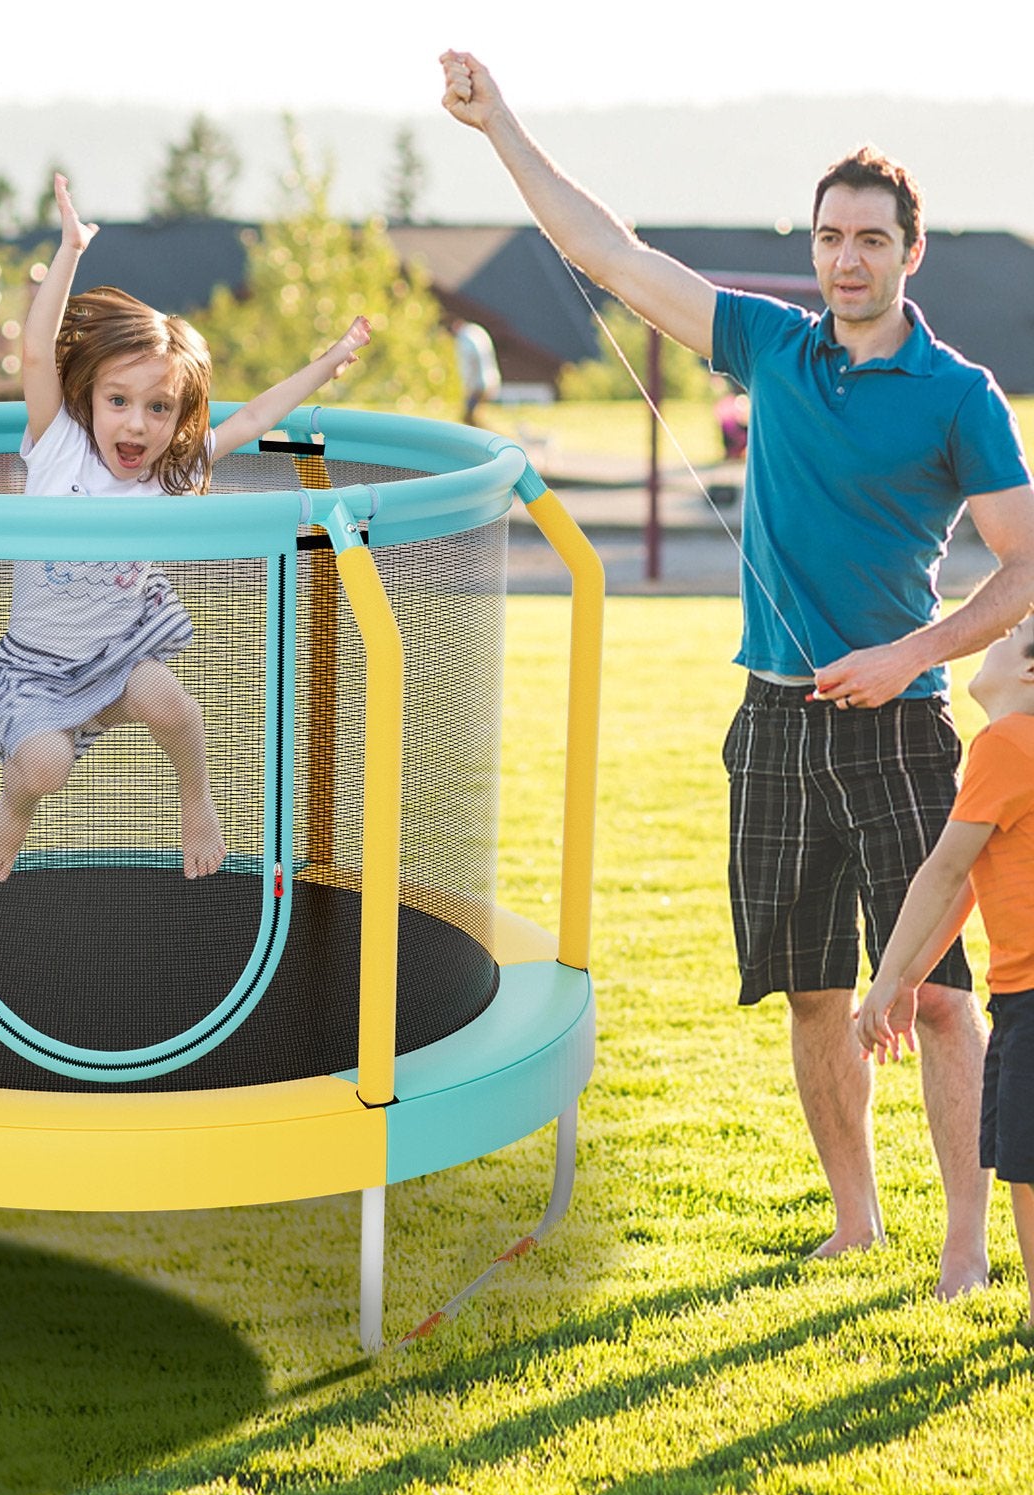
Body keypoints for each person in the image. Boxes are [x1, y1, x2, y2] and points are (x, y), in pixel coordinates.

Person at [441, 49, 1034, 1296]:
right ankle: (855, 1221)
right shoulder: (770, 345)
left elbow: (1024, 569)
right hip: (767, 722)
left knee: (929, 996)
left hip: (903, 728)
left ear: (908, 251)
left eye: (869, 238)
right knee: (812, 989)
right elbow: (611, 255)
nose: (845, 260)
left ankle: (968, 1247)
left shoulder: (958, 397)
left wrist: (911, 652)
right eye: (827, 238)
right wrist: (501, 126)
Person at [0, 174, 371, 883]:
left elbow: (249, 420)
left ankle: (198, 801)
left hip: (118, 657)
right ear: (87, 396)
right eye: (119, 400)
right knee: (44, 767)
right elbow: (35, 353)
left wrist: (327, 364)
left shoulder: (167, 476)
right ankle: (15, 807)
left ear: (177, 418)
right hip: (38, 671)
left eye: (159, 408)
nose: (136, 423)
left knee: (170, 703)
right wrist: (70, 249)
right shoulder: (57, 445)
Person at [857, 610, 1034, 1325]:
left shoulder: (1005, 744)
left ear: (1028, 673)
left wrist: (883, 979)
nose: (993, 641)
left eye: (1009, 638)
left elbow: (942, 870)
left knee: (1025, 1161)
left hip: (1029, 994)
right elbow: (970, 885)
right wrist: (909, 979)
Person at [452, 316, 502, 424]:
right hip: (490, 378)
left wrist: (468, 385)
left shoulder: (466, 337)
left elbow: (469, 362)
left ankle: (486, 436)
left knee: (468, 418)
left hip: (478, 384)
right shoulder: (477, 331)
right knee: (473, 416)